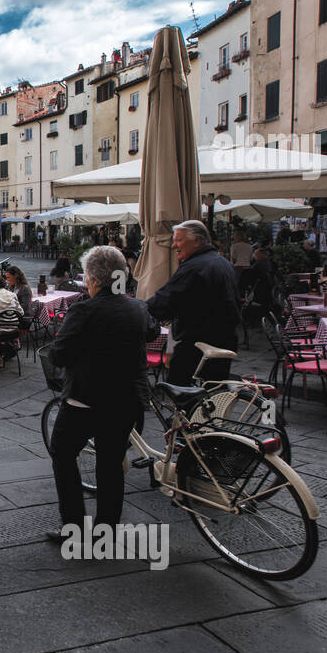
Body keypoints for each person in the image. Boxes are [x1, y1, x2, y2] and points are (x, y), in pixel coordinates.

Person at [47, 245, 160, 534]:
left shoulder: (84, 310)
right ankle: (105, 528)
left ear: (93, 280)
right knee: (110, 464)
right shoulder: (137, 307)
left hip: (87, 399)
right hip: (128, 400)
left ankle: (74, 526)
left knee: (62, 452)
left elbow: (59, 355)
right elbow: (152, 331)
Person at [146, 220, 239, 385]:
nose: (174, 245)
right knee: (213, 392)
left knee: (178, 389)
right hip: (224, 338)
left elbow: (165, 300)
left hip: (199, 342)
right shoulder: (222, 262)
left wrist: (138, 311)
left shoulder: (195, 266)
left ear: (197, 241)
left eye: (179, 240)